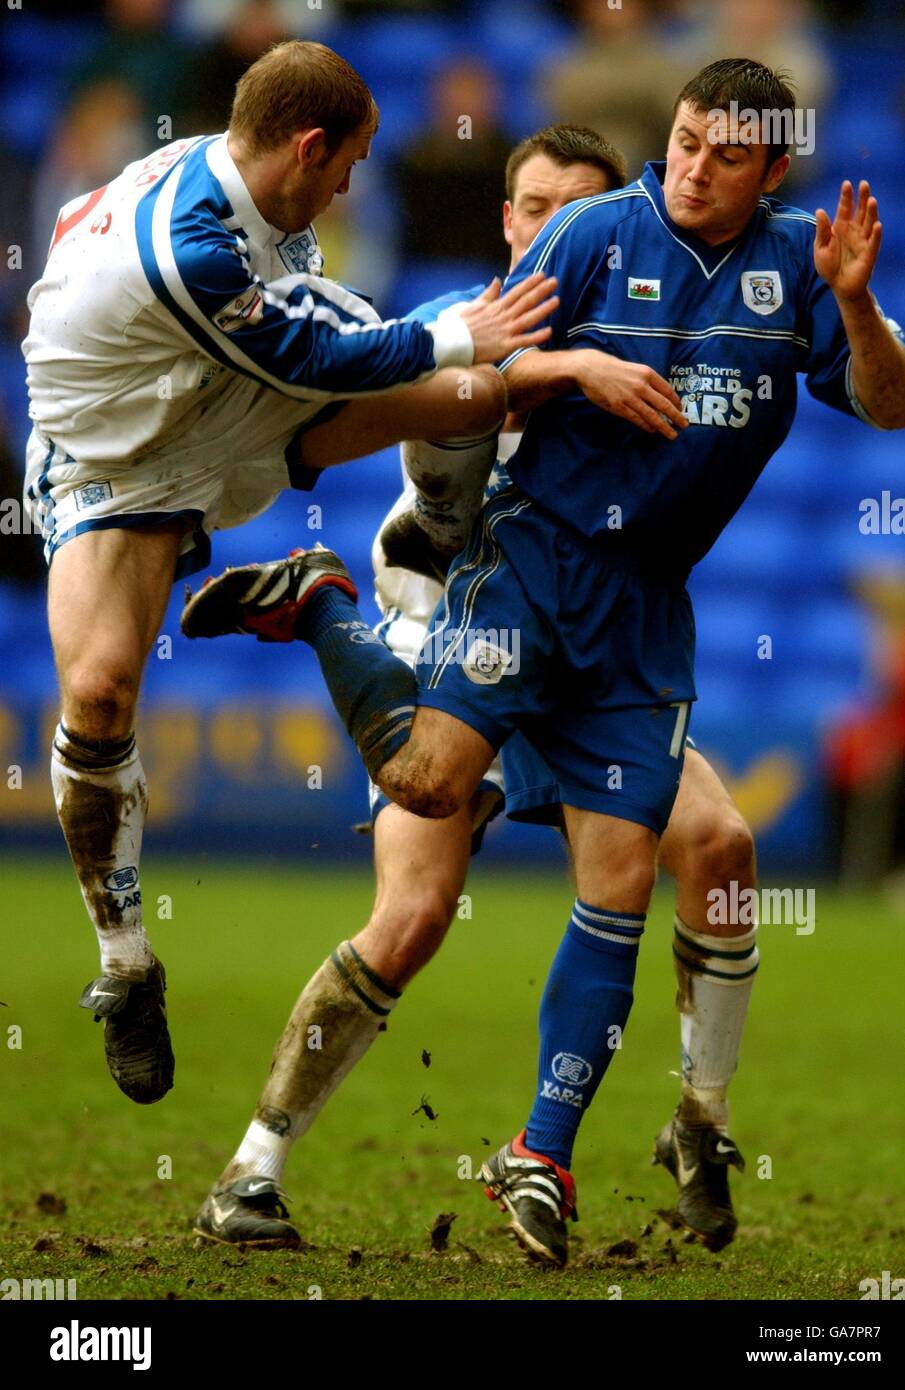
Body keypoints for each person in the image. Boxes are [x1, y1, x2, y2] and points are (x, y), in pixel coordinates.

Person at [181, 59, 905, 1266]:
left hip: (635, 616)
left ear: (770, 169)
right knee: (417, 879)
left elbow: (890, 408)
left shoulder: (796, 267)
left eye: (722, 153)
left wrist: (849, 306)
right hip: (493, 583)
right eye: (681, 141)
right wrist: (573, 366)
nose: (690, 166)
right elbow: (459, 382)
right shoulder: (582, 247)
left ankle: (566, 1147)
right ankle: (254, 1164)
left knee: (652, 871)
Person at [21, 39, 556, 1109]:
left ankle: (434, 552)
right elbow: (316, 359)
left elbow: (327, 334)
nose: (351, 187)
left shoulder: (247, 197)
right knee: (99, 691)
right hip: (111, 458)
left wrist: (476, 350)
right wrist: (454, 330)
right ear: (307, 148)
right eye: (349, 165)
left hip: (211, 392)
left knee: (473, 395)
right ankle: (126, 963)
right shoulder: (188, 248)